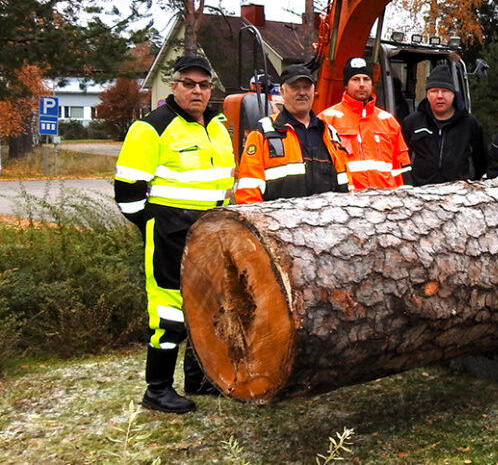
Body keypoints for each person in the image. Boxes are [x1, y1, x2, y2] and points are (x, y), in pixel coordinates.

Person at [114, 54, 235, 414]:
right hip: (169, 233)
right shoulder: (152, 128)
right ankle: (157, 390)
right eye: (189, 84)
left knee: (209, 306)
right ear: (174, 86)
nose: (197, 91)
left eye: (203, 85)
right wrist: (153, 226)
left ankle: (200, 379)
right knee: (169, 312)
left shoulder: (216, 126)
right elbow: (127, 192)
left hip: (211, 233)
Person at [234, 64, 351, 203]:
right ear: (282, 91)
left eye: (307, 87)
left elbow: (345, 188)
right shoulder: (263, 134)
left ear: (314, 90)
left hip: (323, 223)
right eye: (295, 87)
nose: (302, 92)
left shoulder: (329, 135)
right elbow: (248, 192)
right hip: (278, 223)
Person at [319, 56, 411, 189]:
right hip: (347, 202)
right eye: (355, 79)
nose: (362, 84)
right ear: (346, 84)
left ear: (372, 83)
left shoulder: (388, 121)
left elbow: (402, 168)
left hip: (385, 201)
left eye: (366, 79)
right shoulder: (327, 120)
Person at [401, 63, 487, 185]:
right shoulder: (412, 123)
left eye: (445, 91)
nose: (440, 96)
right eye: (434, 91)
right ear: (427, 94)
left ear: (453, 94)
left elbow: (481, 161)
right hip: (420, 194)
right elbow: (401, 159)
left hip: (458, 195)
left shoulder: (469, 124)